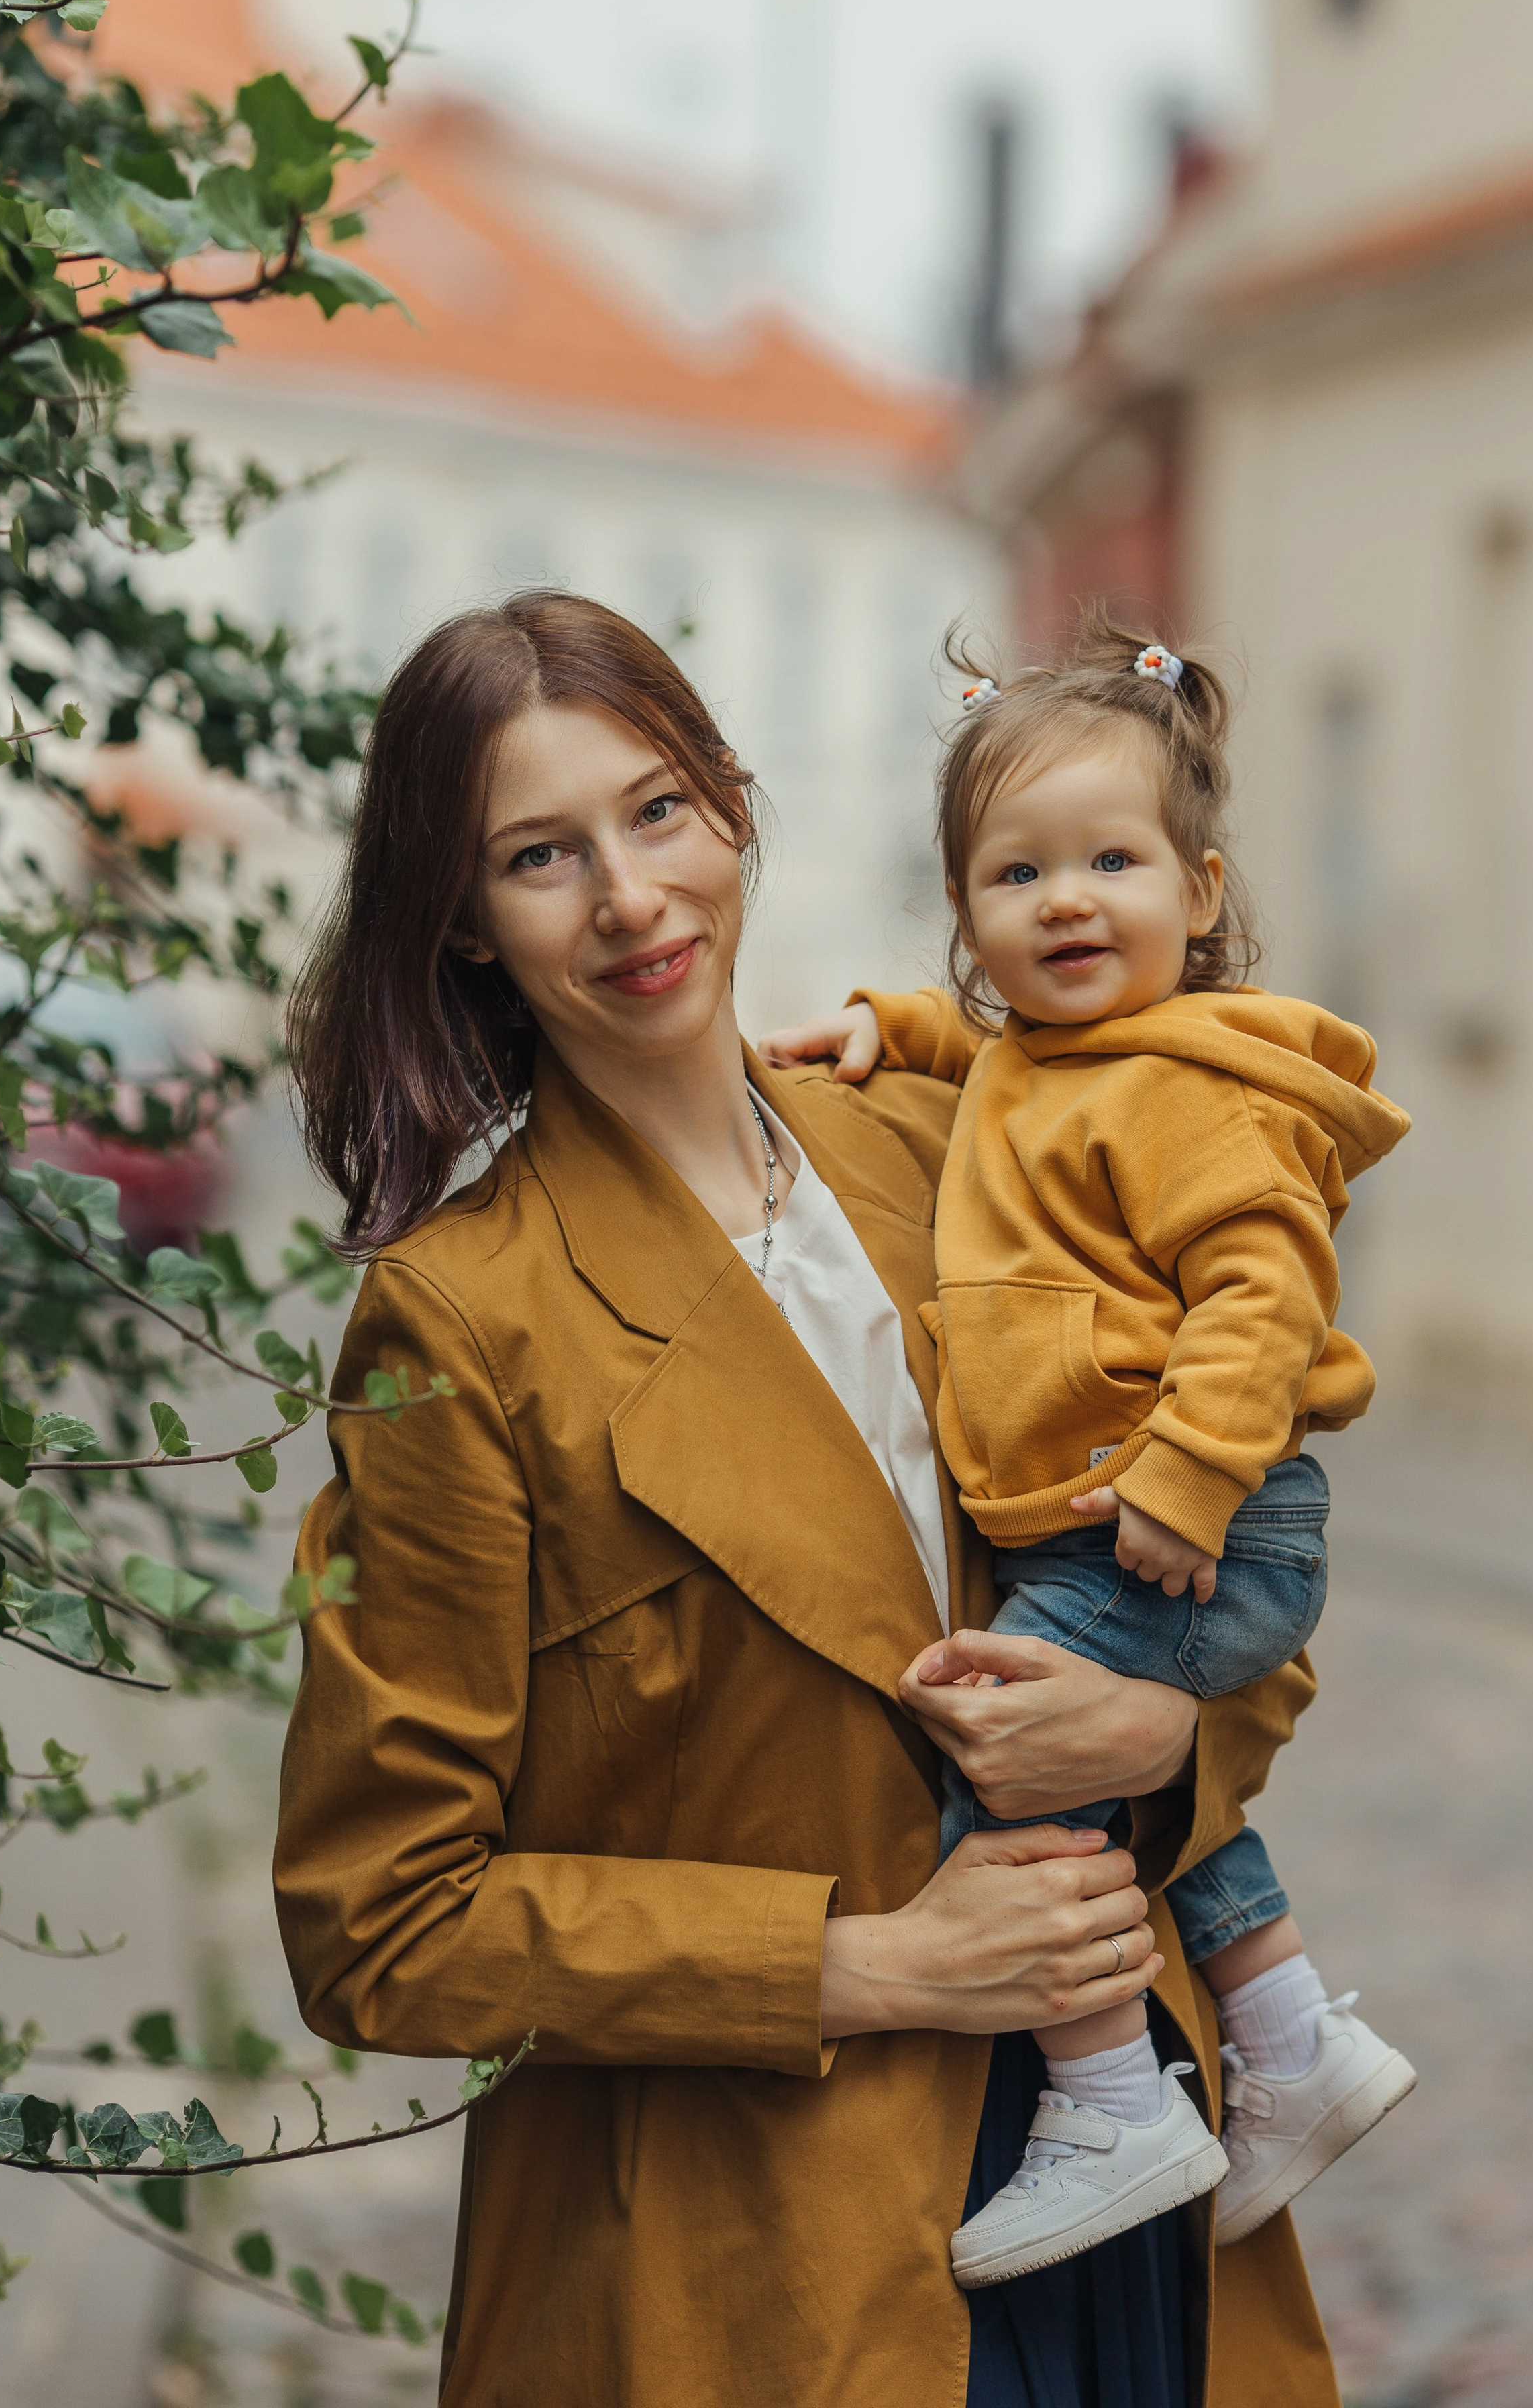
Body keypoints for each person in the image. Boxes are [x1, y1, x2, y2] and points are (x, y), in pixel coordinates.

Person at [275, 590, 1340, 2407]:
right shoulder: (463, 1318)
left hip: (1119, 2138)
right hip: (748, 2260)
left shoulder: (957, 1147)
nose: (630, 899)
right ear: (464, 916)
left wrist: (1160, 1726)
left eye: (659, 812)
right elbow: (384, 1917)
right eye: (543, 855)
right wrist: (875, 1965)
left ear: (734, 809)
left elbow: (1223, 1551)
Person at [761, 616, 1417, 2286]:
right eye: (1014, 873)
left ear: (1195, 894)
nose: (1064, 899)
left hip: (1201, 1519)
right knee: (1118, 1768)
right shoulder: (1044, 1060)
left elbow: (1265, 1289)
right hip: (1142, 1525)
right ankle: (1282, 2033)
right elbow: (981, 1066)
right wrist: (884, 1030)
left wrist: (1187, 1478)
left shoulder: (1181, 1088)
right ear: (970, 918)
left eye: (1108, 860)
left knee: (1002, 1740)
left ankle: (1112, 2095)